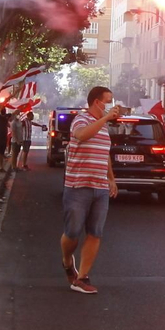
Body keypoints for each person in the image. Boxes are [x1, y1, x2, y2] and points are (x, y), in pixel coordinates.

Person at [61, 86, 127, 295]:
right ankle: (66, 260)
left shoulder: (103, 126)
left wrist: (111, 179)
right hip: (78, 186)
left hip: (99, 187)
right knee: (72, 233)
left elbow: (103, 152)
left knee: (95, 233)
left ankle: (82, 278)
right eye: (107, 101)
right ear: (96, 102)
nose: (111, 105)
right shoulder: (81, 120)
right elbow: (81, 136)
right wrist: (105, 118)